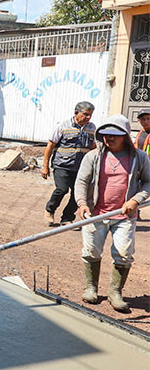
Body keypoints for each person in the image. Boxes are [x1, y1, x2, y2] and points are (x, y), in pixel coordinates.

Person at [74, 114, 149, 313]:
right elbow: (81, 182)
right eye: (106, 135)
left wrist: (135, 200)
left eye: (115, 135)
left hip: (124, 217)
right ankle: (91, 287)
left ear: (125, 136)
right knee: (91, 251)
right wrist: (82, 204)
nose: (110, 138)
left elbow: (149, 182)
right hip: (96, 214)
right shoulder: (93, 156)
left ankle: (115, 292)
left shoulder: (139, 158)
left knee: (124, 254)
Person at [41, 101, 97, 226]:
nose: (88, 118)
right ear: (76, 113)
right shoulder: (63, 126)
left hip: (81, 168)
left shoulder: (92, 128)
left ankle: (67, 218)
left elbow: (93, 147)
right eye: (86, 115)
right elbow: (50, 146)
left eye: (90, 115)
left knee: (77, 194)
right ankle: (50, 210)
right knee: (62, 189)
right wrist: (45, 166)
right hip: (62, 165)